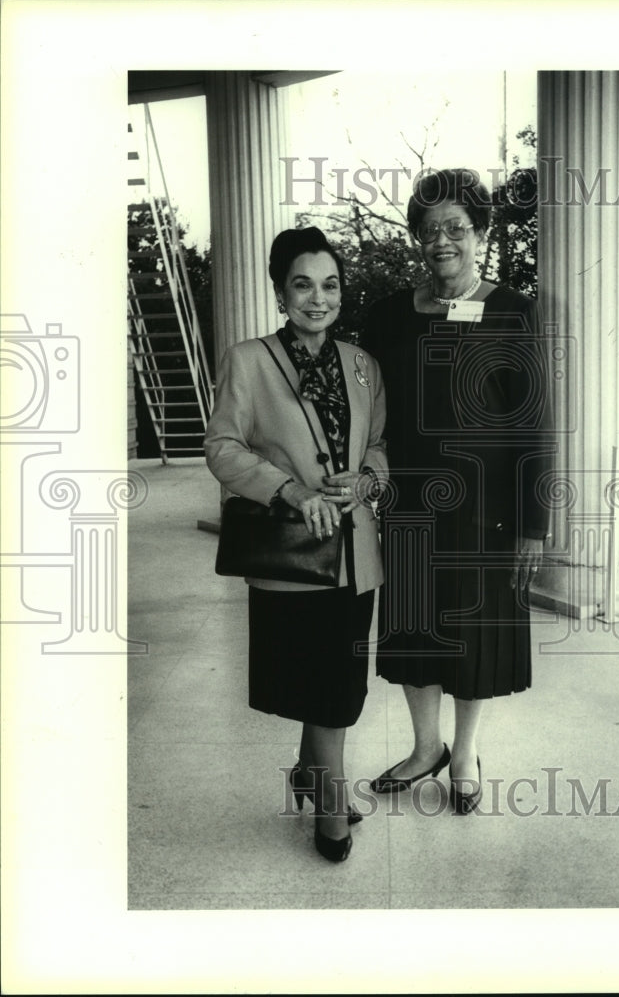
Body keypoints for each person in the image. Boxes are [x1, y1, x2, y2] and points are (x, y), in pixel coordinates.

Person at [362, 168, 553, 814]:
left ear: (480, 233)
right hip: (411, 504)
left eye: (455, 228)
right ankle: (424, 748)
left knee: (472, 636)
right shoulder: (387, 317)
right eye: (428, 229)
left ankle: (464, 752)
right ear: (415, 236)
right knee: (414, 630)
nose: (440, 240)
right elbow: (373, 413)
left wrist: (534, 523)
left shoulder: (511, 311)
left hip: (486, 512)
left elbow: (533, 423)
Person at [204, 227, 387, 862]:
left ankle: (311, 776)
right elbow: (222, 448)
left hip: (356, 558)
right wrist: (287, 490)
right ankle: (330, 810)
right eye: (303, 285)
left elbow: (381, 447)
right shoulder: (247, 360)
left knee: (338, 684)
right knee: (324, 687)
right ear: (281, 292)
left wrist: (366, 480)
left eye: (330, 284)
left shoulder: (363, 364)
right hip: (292, 555)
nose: (319, 298)